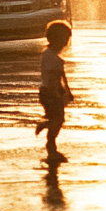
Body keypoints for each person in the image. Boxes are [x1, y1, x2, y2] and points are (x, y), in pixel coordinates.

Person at [36, 20, 74, 163]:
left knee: (57, 118)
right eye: (64, 40)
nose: (65, 43)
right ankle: (51, 146)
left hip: (54, 92)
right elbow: (53, 78)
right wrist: (56, 94)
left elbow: (62, 76)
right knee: (57, 119)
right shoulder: (50, 57)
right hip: (50, 93)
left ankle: (48, 132)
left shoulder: (53, 56)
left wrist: (68, 91)